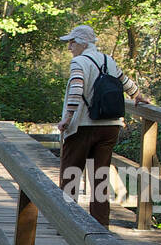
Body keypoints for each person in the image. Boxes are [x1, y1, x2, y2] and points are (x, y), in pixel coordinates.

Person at [56, 24, 149, 225]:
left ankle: (67, 221)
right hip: (110, 126)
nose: (69, 47)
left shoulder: (79, 62)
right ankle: (100, 223)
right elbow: (124, 81)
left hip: (83, 126)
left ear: (82, 43)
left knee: (71, 172)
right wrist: (138, 96)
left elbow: (76, 89)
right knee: (100, 176)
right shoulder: (108, 60)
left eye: (71, 42)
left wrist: (68, 118)